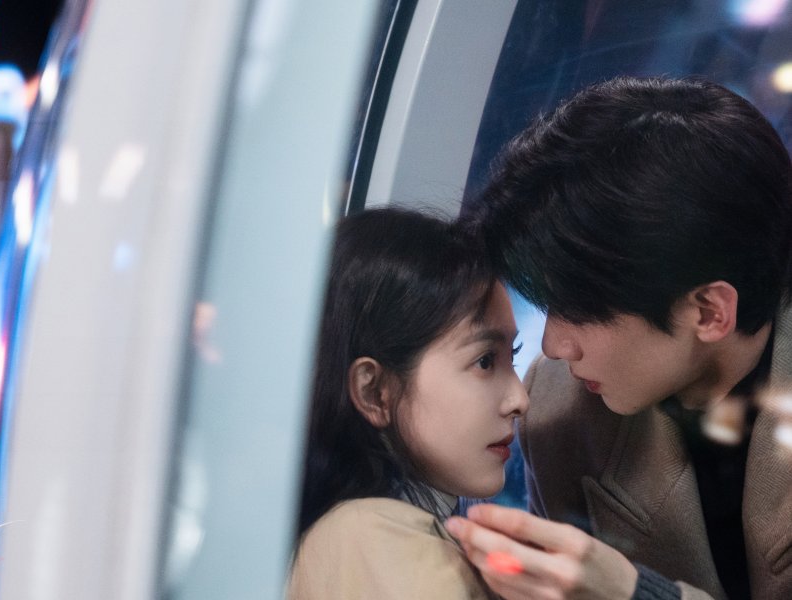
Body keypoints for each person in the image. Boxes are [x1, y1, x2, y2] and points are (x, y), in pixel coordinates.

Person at [445, 76, 792, 600]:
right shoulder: (558, 410)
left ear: (709, 311)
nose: (553, 347)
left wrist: (637, 594)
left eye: (581, 310)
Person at [287, 208, 528, 599]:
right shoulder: (377, 540)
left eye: (511, 358)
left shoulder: (350, 531)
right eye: (485, 361)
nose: (520, 400)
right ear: (375, 392)